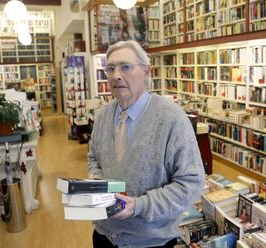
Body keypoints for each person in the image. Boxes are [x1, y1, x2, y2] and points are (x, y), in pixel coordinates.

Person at [87, 40, 205, 248]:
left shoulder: (172, 118)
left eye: (125, 67)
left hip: (150, 241)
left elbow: (191, 183)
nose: (116, 75)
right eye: (110, 68)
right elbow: (93, 158)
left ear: (146, 72)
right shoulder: (103, 115)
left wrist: (139, 206)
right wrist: (97, 180)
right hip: (104, 235)